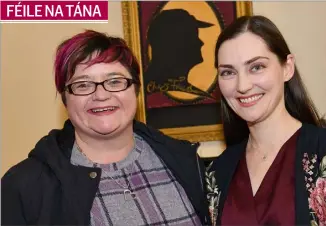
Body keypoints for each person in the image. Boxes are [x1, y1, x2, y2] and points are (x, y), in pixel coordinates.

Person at [1, 30, 210, 226]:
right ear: (66, 99)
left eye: (115, 81)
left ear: (135, 90)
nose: (100, 95)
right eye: (83, 85)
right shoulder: (24, 187)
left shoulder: (185, 161)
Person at [205, 15, 326, 226]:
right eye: (228, 72)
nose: (242, 85)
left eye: (256, 67)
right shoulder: (217, 172)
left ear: (287, 67)